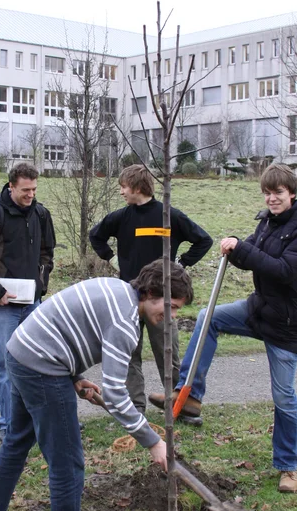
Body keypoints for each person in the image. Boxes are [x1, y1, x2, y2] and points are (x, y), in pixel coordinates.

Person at [0, 260, 194, 511]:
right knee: (67, 462)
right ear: (151, 291)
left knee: (17, 441)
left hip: (22, 351)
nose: (170, 316)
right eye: (169, 306)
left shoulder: (116, 289)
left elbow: (66, 328)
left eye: (177, 309)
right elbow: (118, 396)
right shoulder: (125, 322)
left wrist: (75, 377)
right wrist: (153, 441)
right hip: (42, 366)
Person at [150, 164, 297, 494]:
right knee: (208, 317)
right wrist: (236, 246)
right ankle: (189, 396)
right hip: (260, 309)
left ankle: (289, 467)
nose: (272, 199)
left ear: (293, 194)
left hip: (288, 323)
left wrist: (243, 248)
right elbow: (253, 256)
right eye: (268, 193)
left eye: (278, 193)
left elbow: (285, 270)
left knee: (283, 396)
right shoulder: (268, 222)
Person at [89, 163, 212, 415]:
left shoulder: (169, 215)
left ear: (137, 187)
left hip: (161, 300)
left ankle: (180, 405)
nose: (121, 192)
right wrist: (111, 259)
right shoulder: (121, 217)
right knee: (130, 355)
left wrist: (181, 264)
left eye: (124, 187)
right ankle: (136, 407)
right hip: (129, 299)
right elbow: (95, 236)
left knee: (168, 353)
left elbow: (204, 240)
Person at [0, 163, 56, 438]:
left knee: (37, 365)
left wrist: (41, 283)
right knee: (5, 369)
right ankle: (9, 426)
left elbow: (47, 253)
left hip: (32, 305)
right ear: (11, 186)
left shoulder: (41, 214)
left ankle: (37, 422)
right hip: (1, 308)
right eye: (25, 190)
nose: (31, 195)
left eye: (34, 189)